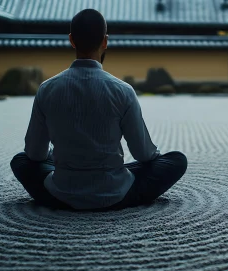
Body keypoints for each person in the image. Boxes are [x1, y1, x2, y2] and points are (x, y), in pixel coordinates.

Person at [10, 9, 187, 211]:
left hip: (60, 191)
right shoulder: (123, 91)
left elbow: (34, 154)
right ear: (105, 41)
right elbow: (143, 154)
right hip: (115, 191)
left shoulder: (47, 89)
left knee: (21, 160)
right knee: (176, 161)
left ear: (71, 40)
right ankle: (111, 180)